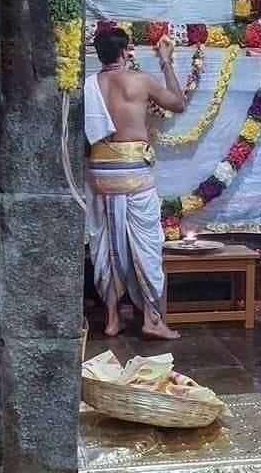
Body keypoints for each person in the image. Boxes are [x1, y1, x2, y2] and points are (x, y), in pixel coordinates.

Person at [84, 23, 185, 339]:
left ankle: (112, 319)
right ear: (126, 51)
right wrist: (166, 61)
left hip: (101, 171)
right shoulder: (138, 81)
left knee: (106, 242)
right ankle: (152, 320)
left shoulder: (89, 85)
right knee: (146, 243)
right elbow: (177, 103)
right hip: (133, 170)